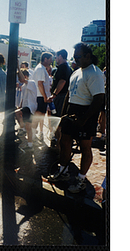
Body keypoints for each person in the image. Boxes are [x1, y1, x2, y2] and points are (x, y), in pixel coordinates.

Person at [49, 43, 105, 193]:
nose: (76, 59)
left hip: (86, 114)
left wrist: (84, 119)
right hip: (71, 112)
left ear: (87, 56)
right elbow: (69, 95)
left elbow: (99, 99)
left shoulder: (95, 73)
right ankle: (63, 172)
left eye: (78, 56)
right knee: (64, 141)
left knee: (85, 147)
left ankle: (81, 180)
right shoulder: (76, 72)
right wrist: (63, 115)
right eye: (75, 57)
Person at [31, 52, 54, 141]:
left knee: (39, 116)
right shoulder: (41, 69)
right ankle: (32, 136)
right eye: (50, 59)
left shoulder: (42, 68)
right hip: (40, 96)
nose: (51, 61)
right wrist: (45, 97)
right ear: (45, 59)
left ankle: (32, 136)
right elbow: (40, 84)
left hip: (41, 96)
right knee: (38, 116)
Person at [15, 66, 37, 150]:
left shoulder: (31, 82)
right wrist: (20, 105)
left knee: (17, 114)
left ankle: (22, 128)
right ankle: (30, 144)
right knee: (28, 127)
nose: (19, 79)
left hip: (30, 108)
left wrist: (18, 66)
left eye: (20, 77)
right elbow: (23, 98)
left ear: (25, 76)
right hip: (25, 107)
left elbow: (24, 80)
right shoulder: (23, 86)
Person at [50, 49, 72, 117]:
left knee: (56, 117)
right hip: (64, 96)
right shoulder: (68, 68)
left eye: (56, 57)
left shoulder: (62, 68)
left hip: (60, 97)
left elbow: (62, 81)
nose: (55, 59)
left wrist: (54, 94)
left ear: (60, 56)